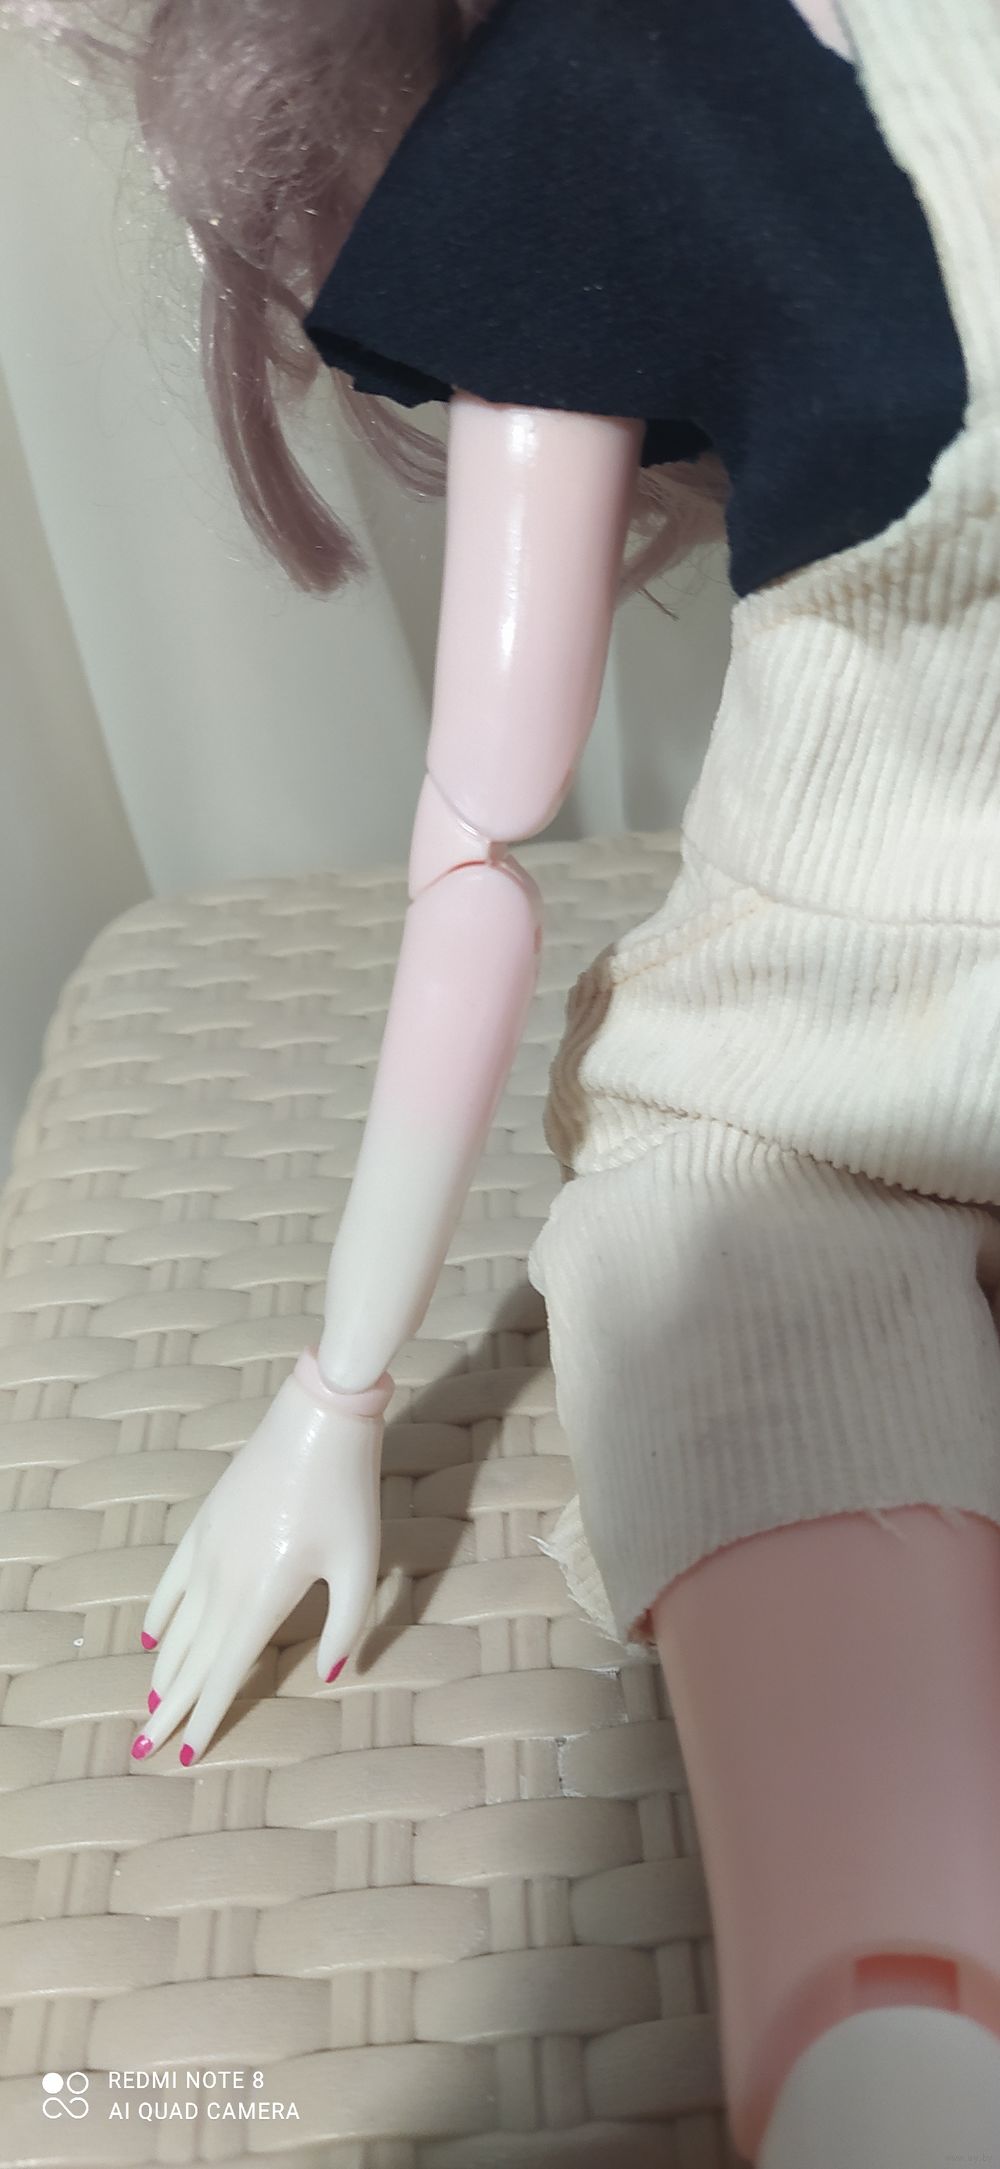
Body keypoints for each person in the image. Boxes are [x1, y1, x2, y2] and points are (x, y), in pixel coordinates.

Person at [6, 2, 1000, 2158]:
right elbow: (479, 845)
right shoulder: (628, 95)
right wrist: (337, 1389)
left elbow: (480, 842)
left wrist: (335, 1398)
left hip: (836, 1069)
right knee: (896, 2007)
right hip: (799, 1088)